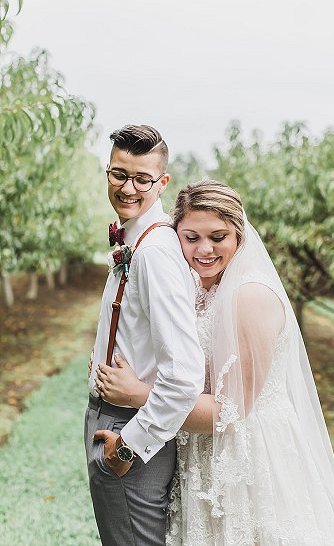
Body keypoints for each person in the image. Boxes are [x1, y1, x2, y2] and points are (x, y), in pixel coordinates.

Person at [97, 180, 334, 545]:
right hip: (202, 453)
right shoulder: (200, 288)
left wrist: (140, 394)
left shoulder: (250, 297)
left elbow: (230, 412)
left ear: (239, 236)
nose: (204, 249)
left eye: (218, 237)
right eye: (191, 237)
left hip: (246, 460)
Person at [87, 125, 206, 545]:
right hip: (115, 417)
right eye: (120, 174)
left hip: (129, 428)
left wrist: (128, 447)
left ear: (162, 182)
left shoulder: (154, 253)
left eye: (143, 178)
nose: (129, 188)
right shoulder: (135, 240)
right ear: (108, 172)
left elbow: (185, 375)